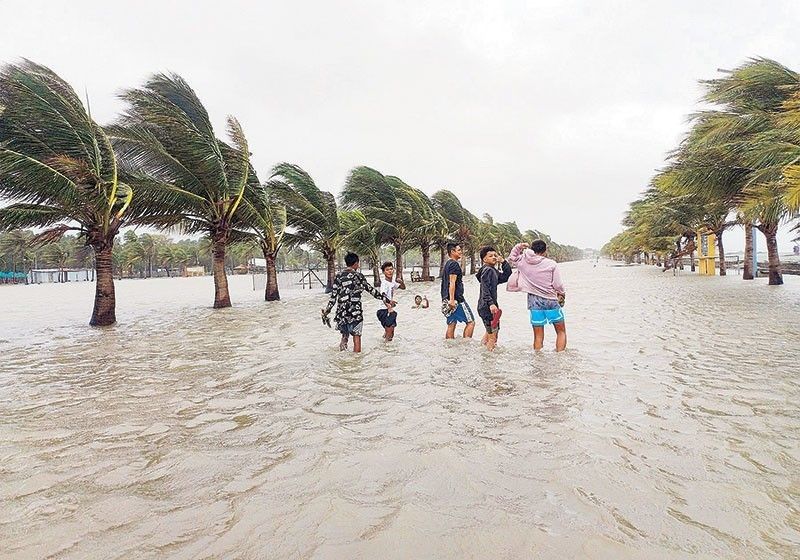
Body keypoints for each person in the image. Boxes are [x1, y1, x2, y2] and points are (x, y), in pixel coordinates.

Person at [322, 252, 392, 353]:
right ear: (355, 263)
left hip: (342, 313)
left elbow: (333, 298)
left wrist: (327, 312)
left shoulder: (338, 276)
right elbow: (373, 292)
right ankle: (356, 362)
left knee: (344, 337)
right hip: (355, 312)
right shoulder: (359, 276)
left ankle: (342, 358)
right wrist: (388, 300)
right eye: (358, 263)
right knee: (356, 336)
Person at [507, 239, 567, 351]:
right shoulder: (551, 264)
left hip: (533, 301)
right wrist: (562, 293)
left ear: (532, 249)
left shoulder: (523, 261)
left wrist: (519, 246)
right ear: (545, 251)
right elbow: (557, 285)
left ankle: (538, 360)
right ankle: (560, 361)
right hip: (550, 300)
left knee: (538, 336)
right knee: (561, 331)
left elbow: (512, 257)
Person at [476, 246, 512, 351]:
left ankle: (482, 352)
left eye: (495, 255)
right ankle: (489, 361)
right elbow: (485, 288)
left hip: (485, 306)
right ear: (484, 259)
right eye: (490, 256)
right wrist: (491, 303)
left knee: (489, 332)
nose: (494, 258)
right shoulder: (488, 270)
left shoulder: (491, 271)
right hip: (488, 306)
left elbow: (506, 276)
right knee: (493, 336)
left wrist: (503, 262)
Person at [440, 242, 475, 339]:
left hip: (446, 298)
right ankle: (466, 346)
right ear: (452, 251)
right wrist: (452, 300)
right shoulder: (454, 265)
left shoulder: (447, 264)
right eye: (459, 250)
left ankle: (449, 347)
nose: (461, 252)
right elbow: (452, 282)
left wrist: (447, 299)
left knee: (451, 323)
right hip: (456, 299)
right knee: (471, 322)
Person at [376, 261, 406, 342]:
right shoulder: (384, 283)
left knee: (390, 332)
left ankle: (383, 347)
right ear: (383, 272)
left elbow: (403, 288)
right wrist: (389, 306)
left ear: (393, 270)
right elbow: (383, 296)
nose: (389, 271)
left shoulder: (392, 282)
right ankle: (386, 349)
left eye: (391, 269)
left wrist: (401, 282)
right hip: (383, 310)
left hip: (386, 310)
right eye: (387, 270)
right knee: (390, 333)